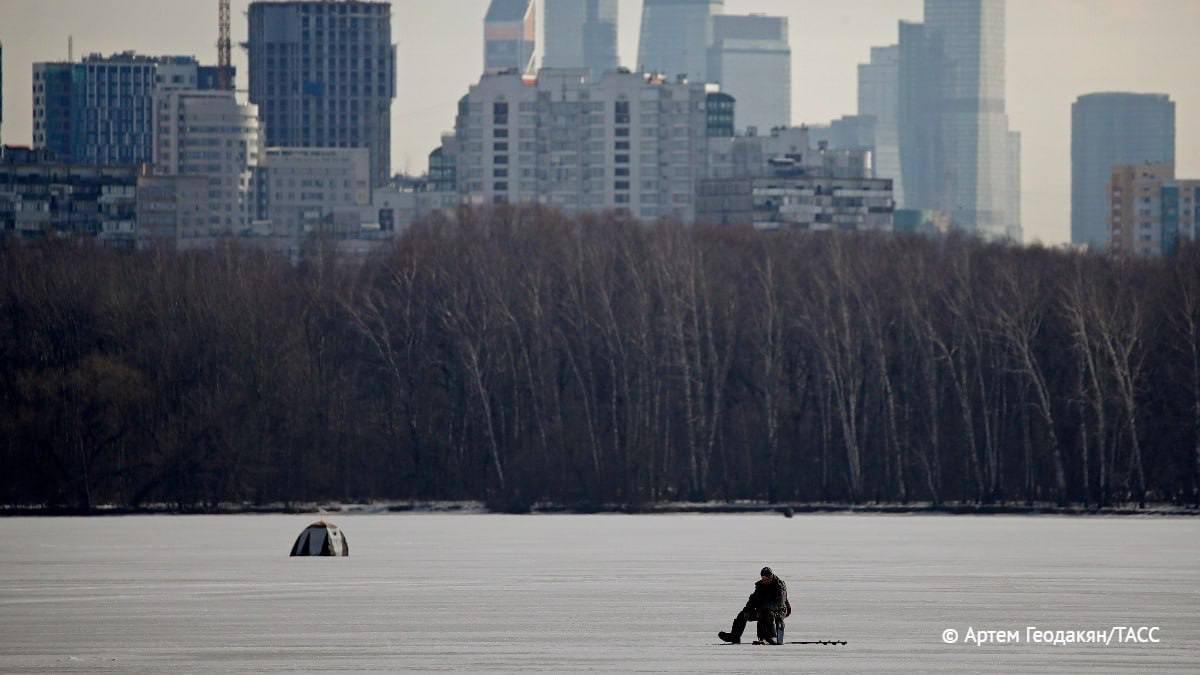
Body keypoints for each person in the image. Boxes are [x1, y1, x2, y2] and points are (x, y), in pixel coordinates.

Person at [717, 566, 791, 645]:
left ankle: (771, 637)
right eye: (763, 578)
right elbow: (753, 599)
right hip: (763, 610)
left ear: (771, 577)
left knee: (767, 613)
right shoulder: (760, 586)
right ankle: (735, 636)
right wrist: (747, 609)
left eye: (767, 578)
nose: (765, 580)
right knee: (743, 614)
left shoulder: (779, 586)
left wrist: (764, 608)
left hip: (780, 610)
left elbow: (779, 603)